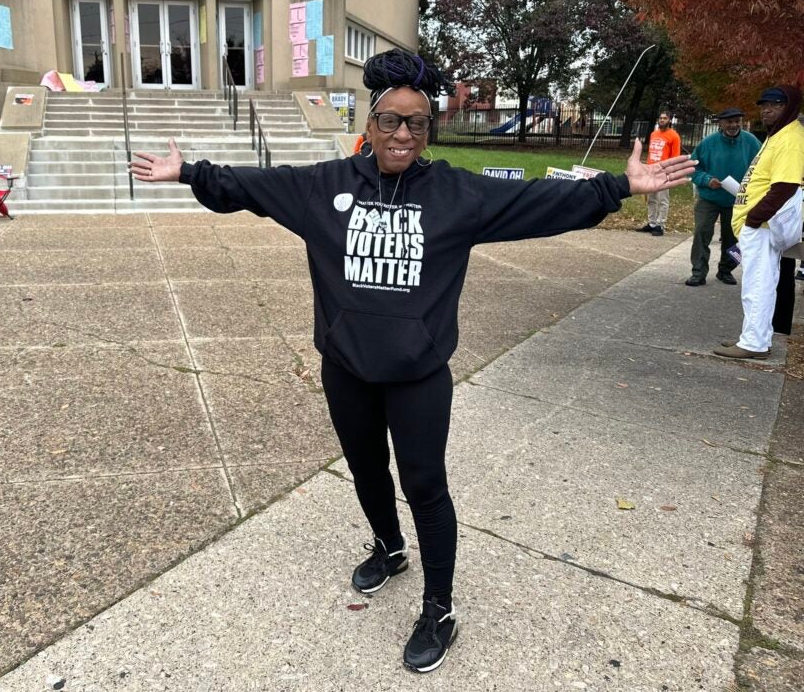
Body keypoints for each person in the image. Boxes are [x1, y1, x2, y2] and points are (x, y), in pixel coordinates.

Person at [130, 49, 697, 674]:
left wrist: (618, 187)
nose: (403, 133)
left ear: (429, 131)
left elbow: (539, 203)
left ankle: (439, 607)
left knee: (424, 484)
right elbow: (252, 185)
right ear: (369, 126)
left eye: (417, 124)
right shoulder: (325, 187)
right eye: (391, 121)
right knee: (367, 470)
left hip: (419, 374)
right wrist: (189, 172)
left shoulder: (456, 193)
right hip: (346, 368)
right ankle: (389, 547)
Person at [715, 85, 804, 360]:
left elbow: (785, 186)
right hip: (759, 226)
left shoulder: (789, 139)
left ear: (788, 107)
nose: (767, 109)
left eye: (775, 104)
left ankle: (753, 342)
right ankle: (755, 337)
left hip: (763, 226)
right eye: (764, 104)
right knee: (759, 283)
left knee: (757, 285)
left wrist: (754, 219)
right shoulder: (777, 136)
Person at [685, 108, 761, 286]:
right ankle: (698, 272)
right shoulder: (708, 143)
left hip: (737, 199)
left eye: (737, 121)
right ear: (720, 123)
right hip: (709, 197)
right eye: (729, 121)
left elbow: (762, 165)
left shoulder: (751, 142)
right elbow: (693, 168)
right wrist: (707, 179)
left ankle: (726, 270)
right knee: (702, 232)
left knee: (734, 238)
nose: (734, 125)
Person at [636, 109, 681, 236]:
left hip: (664, 172)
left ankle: (661, 225)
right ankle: (652, 223)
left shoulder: (674, 136)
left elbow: (675, 157)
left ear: (670, 120)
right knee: (651, 198)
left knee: (663, 199)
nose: (662, 120)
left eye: (665, 118)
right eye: (660, 118)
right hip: (651, 171)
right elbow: (651, 153)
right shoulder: (654, 134)